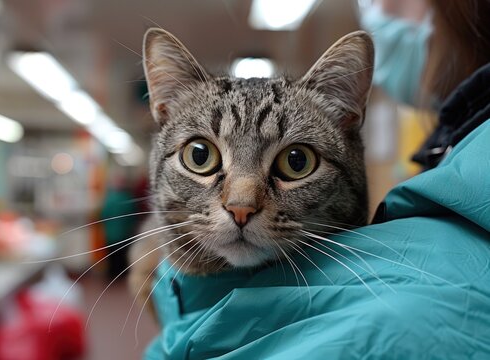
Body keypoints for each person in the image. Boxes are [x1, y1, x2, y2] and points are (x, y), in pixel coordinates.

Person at [144, 1, 490, 358]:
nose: (241, 204)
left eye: (296, 161)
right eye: (200, 157)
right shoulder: (449, 150)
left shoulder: (386, 313)